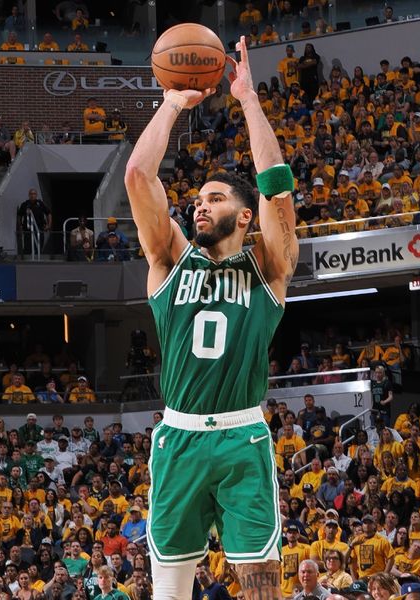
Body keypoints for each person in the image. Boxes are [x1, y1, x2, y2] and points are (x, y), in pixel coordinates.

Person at [123, 35, 298, 600]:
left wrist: (247, 99)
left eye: (216, 198)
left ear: (245, 216)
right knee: (168, 594)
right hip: (178, 438)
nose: (200, 203)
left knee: (263, 590)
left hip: (243, 438)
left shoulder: (269, 267)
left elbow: (278, 189)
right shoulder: (169, 260)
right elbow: (137, 177)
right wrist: (173, 100)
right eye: (198, 198)